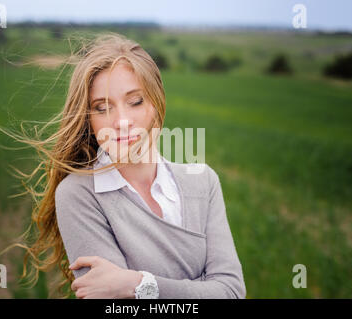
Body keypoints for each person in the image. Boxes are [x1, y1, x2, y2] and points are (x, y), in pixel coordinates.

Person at [13, 32, 246, 299]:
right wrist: (201, 289)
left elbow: (231, 292)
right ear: (88, 120)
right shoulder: (78, 195)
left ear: (156, 105)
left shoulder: (204, 181)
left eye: (135, 101)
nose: (121, 121)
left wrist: (138, 285)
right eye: (101, 108)